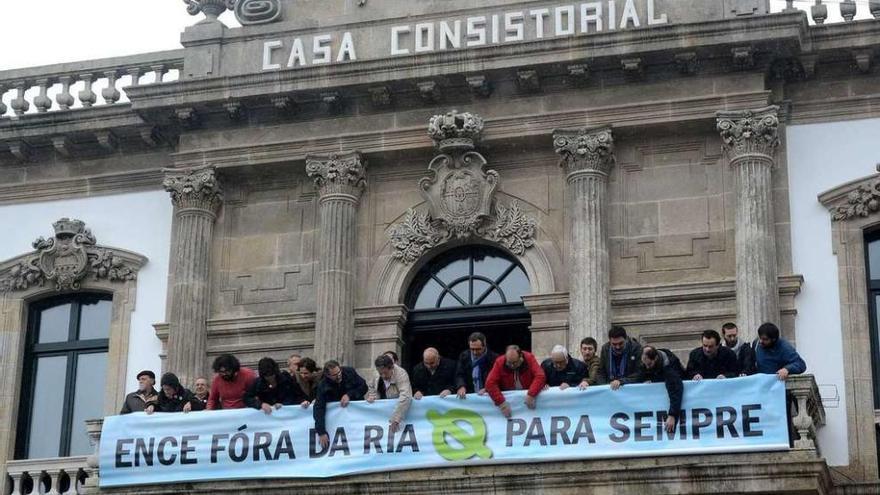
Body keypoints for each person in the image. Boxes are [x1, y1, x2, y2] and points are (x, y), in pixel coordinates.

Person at [314, 360, 368, 449]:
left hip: (356, 415)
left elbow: (363, 387)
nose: (339, 375)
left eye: (339, 372)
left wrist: (349, 395)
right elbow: (319, 408)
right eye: (335, 375)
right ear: (328, 375)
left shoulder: (349, 372)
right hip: (338, 420)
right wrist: (321, 432)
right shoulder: (323, 385)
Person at [631, 346, 684, 434]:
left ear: (655, 358)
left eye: (649, 364)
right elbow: (637, 377)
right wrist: (621, 381)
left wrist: (672, 415)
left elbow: (675, 390)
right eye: (645, 364)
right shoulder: (644, 362)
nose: (647, 367)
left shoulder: (669, 365)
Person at [485, 345, 546, 418]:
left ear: (521, 357)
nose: (512, 366)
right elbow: (490, 383)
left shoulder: (529, 358)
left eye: (515, 363)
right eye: (509, 363)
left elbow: (540, 376)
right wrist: (501, 403)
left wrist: (531, 394)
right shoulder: (500, 362)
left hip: (528, 397)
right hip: (509, 399)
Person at [366, 354, 413, 433]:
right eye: (380, 373)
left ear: (392, 368)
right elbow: (371, 387)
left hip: (398, 415)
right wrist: (372, 396)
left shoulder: (401, 374)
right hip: (381, 415)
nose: (383, 376)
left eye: (385, 373)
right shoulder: (376, 373)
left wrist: (396, 420)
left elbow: (406, 396)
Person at [455, 332, 499, 399]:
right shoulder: (464, 356)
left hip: (488, 396)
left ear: (484, 345)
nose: (475, 352)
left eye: (478, 349)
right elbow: (459, 374)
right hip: (470, 396)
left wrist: (488, 388)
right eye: (472, 349)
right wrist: (461, 386)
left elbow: (498, 378)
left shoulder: (494, 358)